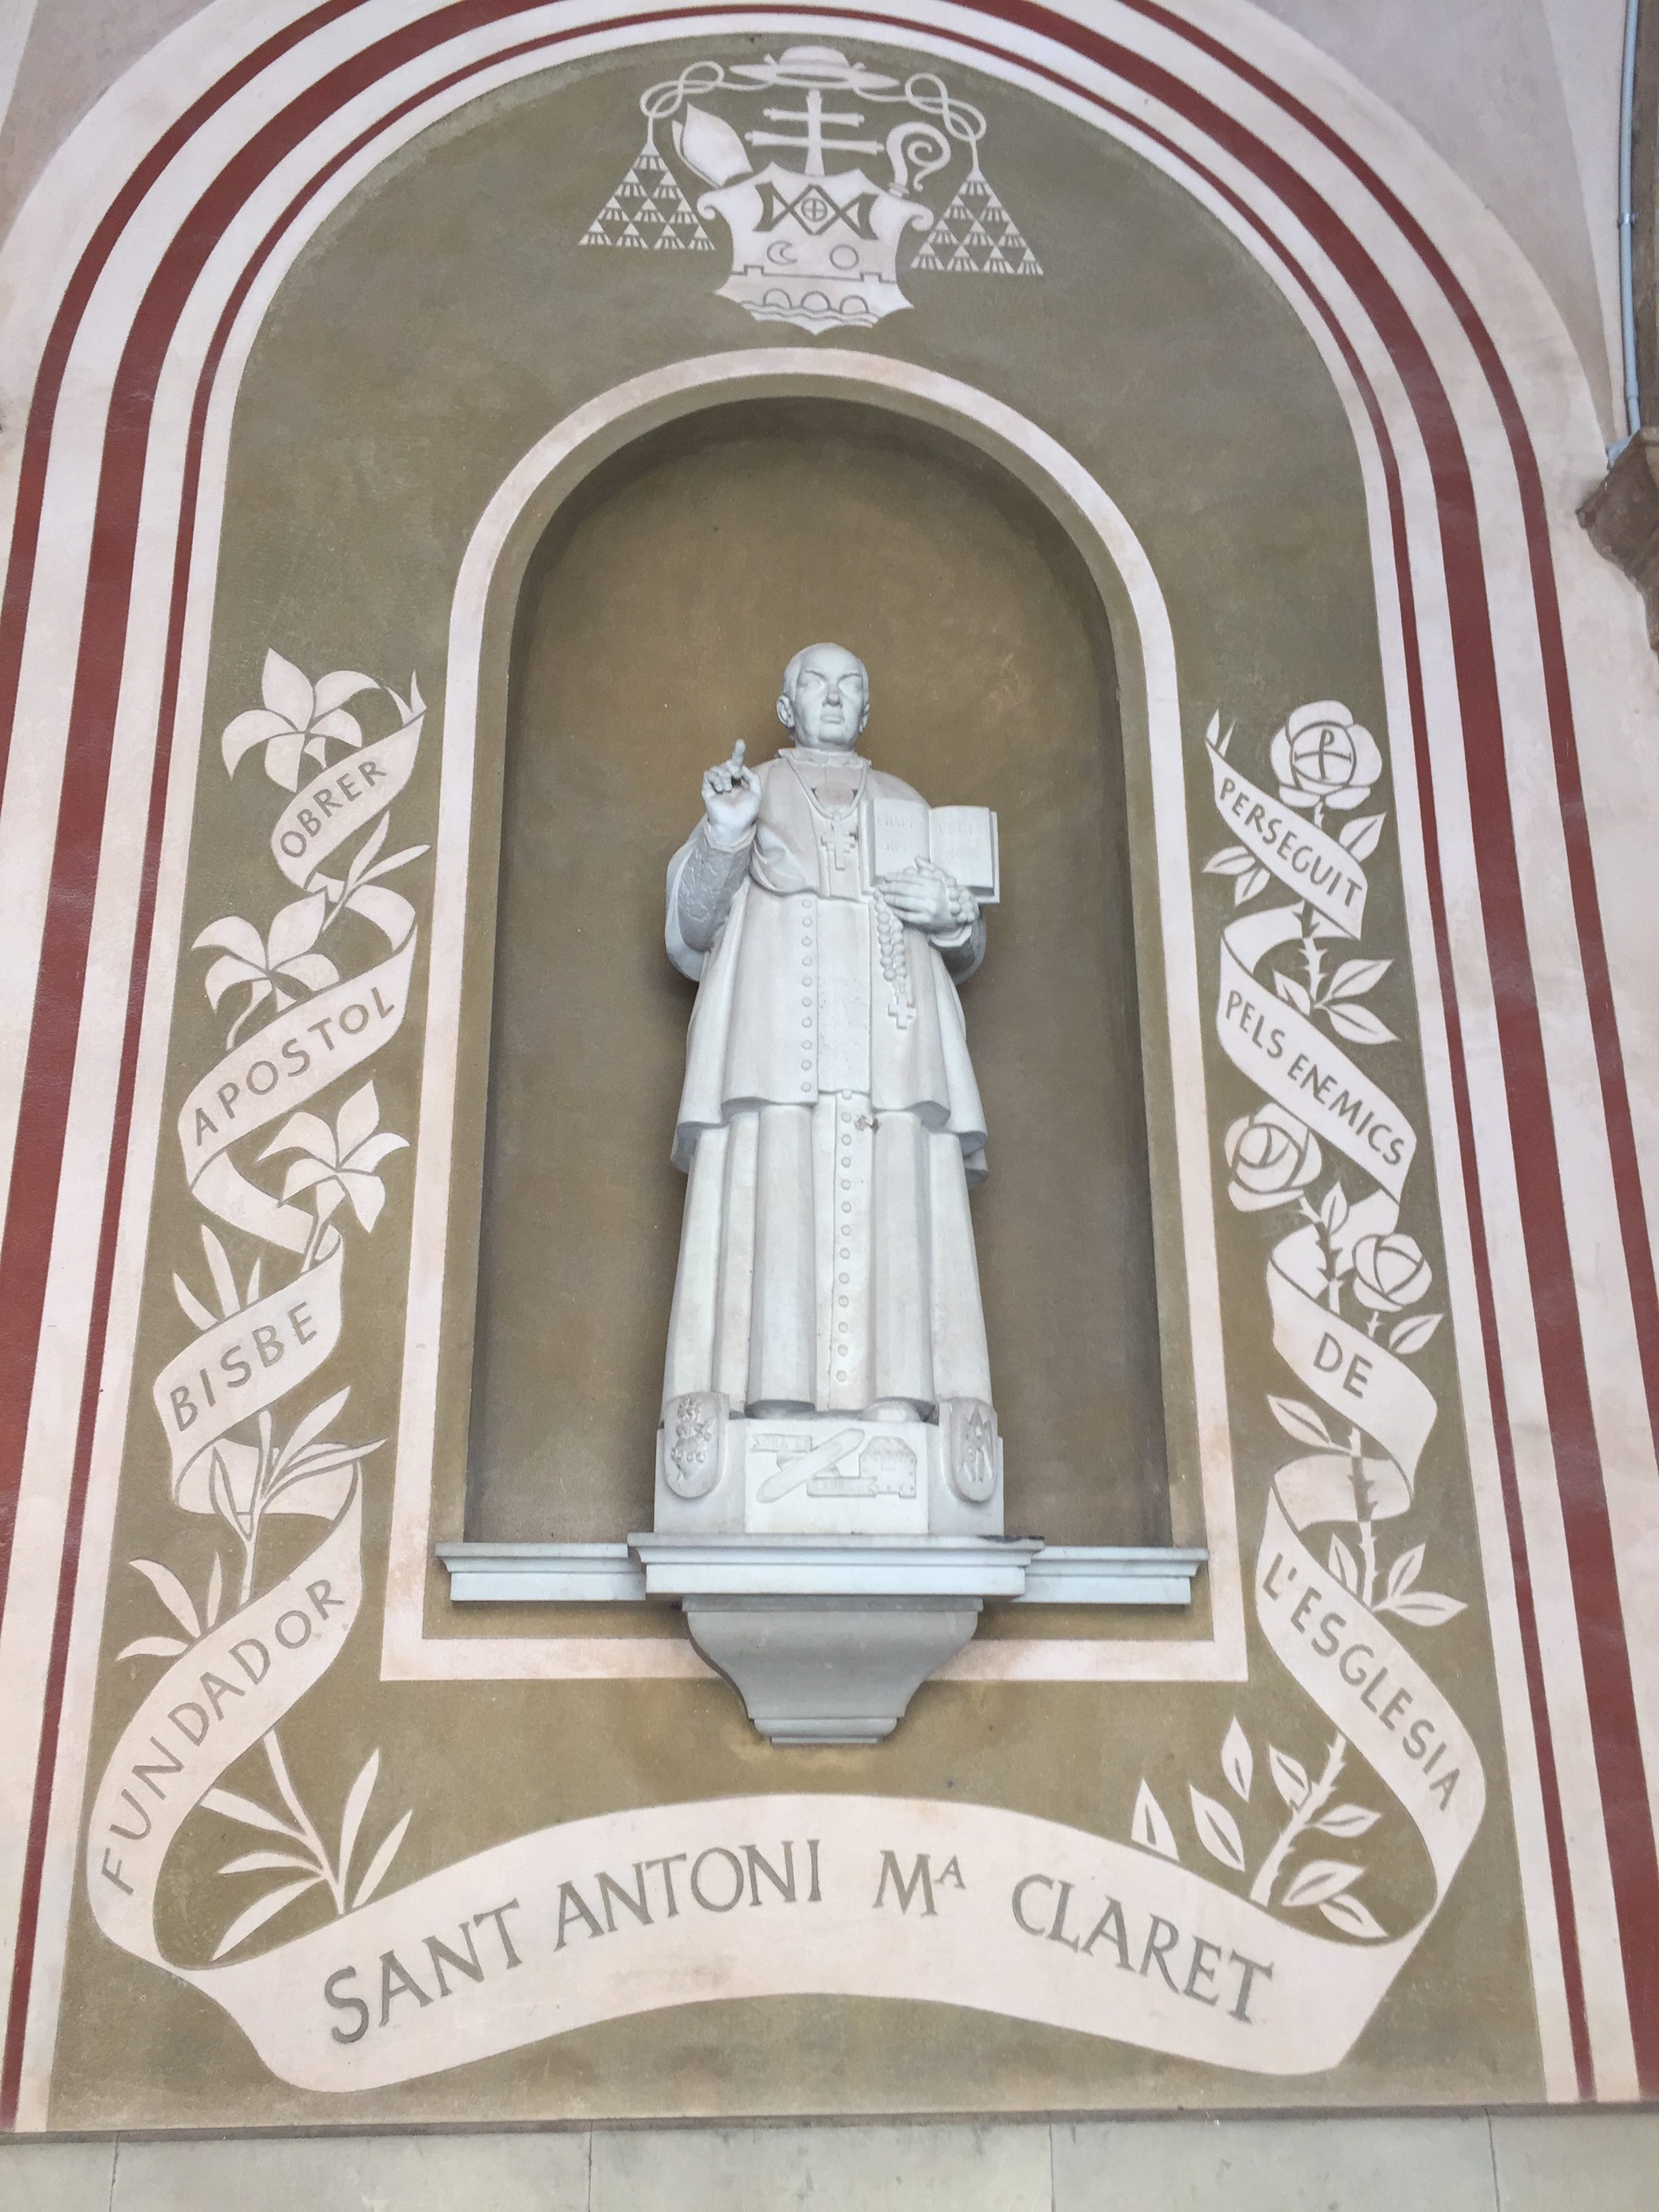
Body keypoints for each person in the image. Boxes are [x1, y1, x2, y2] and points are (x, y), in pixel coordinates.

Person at [661, 641, 995, 1430]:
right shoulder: (750, 793)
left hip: (893, 1053)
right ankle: (772, 1404)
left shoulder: (908, 803)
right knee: (774, 1194)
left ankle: (899, 1403)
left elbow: (963, 948)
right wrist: (726, 832)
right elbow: (693, 925)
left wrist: (956, 915)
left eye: (851, 685)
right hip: (777, 1041)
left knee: (896, 1200)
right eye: (816, 682)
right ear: (787, 707)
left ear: (868, 709)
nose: (835, 695)